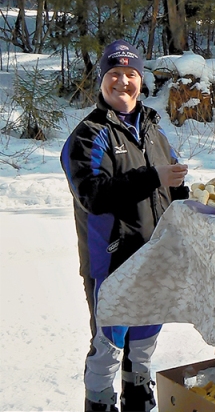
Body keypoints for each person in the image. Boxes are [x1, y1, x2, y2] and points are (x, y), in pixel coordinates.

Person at [60, 40, 189, 412]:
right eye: (114, 73)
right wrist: (153, 176)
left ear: (141, 79)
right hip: (111, 264)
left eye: (131, 74)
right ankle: (100, 404)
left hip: (154, 260)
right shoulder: (88, 135)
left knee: (144, 345)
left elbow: (176, 190)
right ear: (102, 79)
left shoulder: (154, 131)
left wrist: (195, 204)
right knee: (108, 349)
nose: (123, 82)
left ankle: (139, 401)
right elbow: (93, 195)